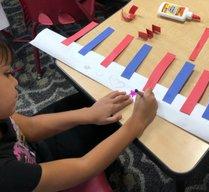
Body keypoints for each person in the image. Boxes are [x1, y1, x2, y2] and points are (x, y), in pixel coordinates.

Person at [0, 36, 158, 191]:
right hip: (38, 173)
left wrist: (88, 113)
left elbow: (31, 126)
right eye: (7, 74)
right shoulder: (7, 175)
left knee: (90, 103)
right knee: (116, 123)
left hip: (32, 152)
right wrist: (138, 123)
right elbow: (85, 167)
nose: (15, 81)